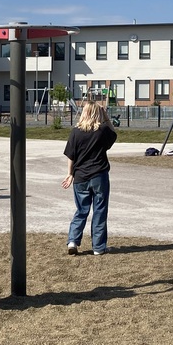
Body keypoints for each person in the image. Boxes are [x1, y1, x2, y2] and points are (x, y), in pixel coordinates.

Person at [61, 100, 117, 256]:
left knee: (81, 210)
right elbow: (114, 134)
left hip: (80, 176)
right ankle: (98, 247)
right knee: (100, 210)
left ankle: (73, 240)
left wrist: (70, 173)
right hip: (99, 175)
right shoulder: (102, 131)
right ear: (98, 114)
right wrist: (105, 116)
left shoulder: (75, 132)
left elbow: (71, 155)